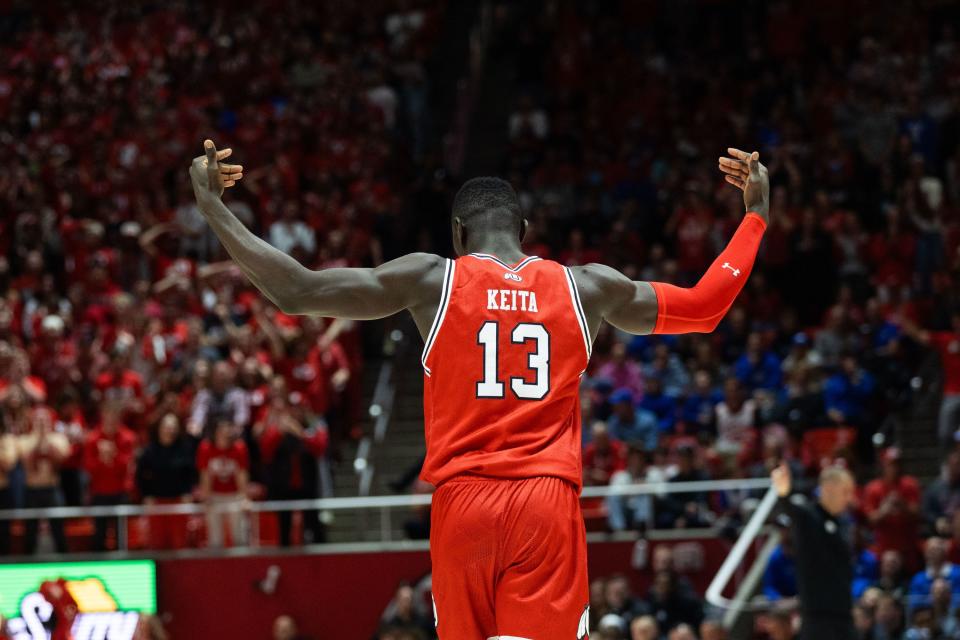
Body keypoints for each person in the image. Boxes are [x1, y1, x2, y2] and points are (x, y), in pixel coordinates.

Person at [188, 139, 769, 638]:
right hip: (544, 500)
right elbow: (704, 308)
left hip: (462, 503)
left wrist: (214, 209)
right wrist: (755, 216)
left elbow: (298, 291)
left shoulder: (431, 276)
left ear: (458, 234)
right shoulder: (587, 287)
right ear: (523, 231)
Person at [771, 461, 856, 640]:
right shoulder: (809, 517)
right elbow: (792, 510)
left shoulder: (842, 523)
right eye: (845, 491)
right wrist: (784, 493)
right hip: (818, 617)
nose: (849, 498)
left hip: (843, 614)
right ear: (828, 489)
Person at [136, 413, 196, 550]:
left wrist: (187, 493)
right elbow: (140, 476)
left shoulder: (184, 449)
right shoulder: (149, 451)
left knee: (179, 541)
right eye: (167, 427)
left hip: (178, 502)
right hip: (156, 502)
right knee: (157, 541)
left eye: (173, 427)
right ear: (159, 429)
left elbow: (190, 474)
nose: (170, 430)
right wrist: (147, 495)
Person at [83, 402, 136, 551]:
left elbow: (127, 465)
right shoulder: (93, 439)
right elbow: (88, 467)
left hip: (120, 492)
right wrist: (102, 459)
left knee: (121, 535)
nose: (111, 423)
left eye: (114, 419)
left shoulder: (127, 438)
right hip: (99, 493)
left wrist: (111, 454)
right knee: (99, 534)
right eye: (108, 419)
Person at [19, 407, 70, 553]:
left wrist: (46, 439)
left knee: (59, 529)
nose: (41, 423)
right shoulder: (25, 439)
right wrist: (38, 440)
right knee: (30, 531)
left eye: (44, 420)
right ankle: (27, 564)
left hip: (52, 488)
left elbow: (62, 458)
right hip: (32, 489)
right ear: (33, 421)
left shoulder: (59, 438)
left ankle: (63, 561)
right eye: (38, 420)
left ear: (50, 421)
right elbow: (25, 461)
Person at [196, 417, 249, 548]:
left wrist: (244, 497)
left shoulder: (239, 447)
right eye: (222, 432)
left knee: (240, 535)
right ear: (215, 433)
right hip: (214, 495)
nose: (225, 435)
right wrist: (206, 497)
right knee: (215, 538)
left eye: (228, 432)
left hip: (234, 495)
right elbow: (205, 474)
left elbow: (241, 473)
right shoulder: (205, 448)